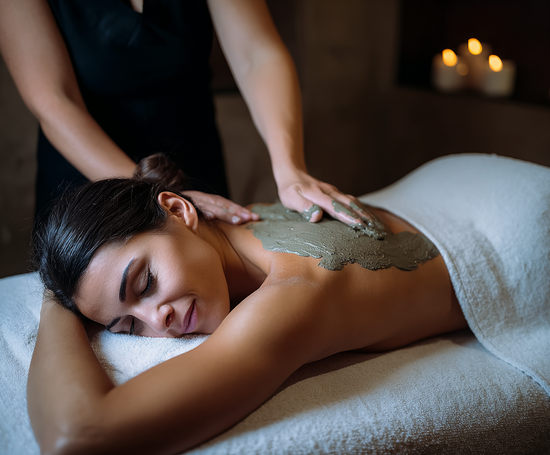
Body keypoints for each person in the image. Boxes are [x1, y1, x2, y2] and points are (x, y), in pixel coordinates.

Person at [27, 153, 475, 455]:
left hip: (482, 213)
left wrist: (52, 300)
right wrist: (65, 290)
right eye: (128, 326)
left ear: (179, 211)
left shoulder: (296, 293)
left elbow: (77, 436)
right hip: (447, 179)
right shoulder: (240, 219)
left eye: (145, 283)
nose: (157, 321)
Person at [0, 0, 370, 229]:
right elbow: (55, 101)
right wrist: (155, 195)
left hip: (193, 158)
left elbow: (257, 54)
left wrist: (290, 168)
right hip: (91, 181)